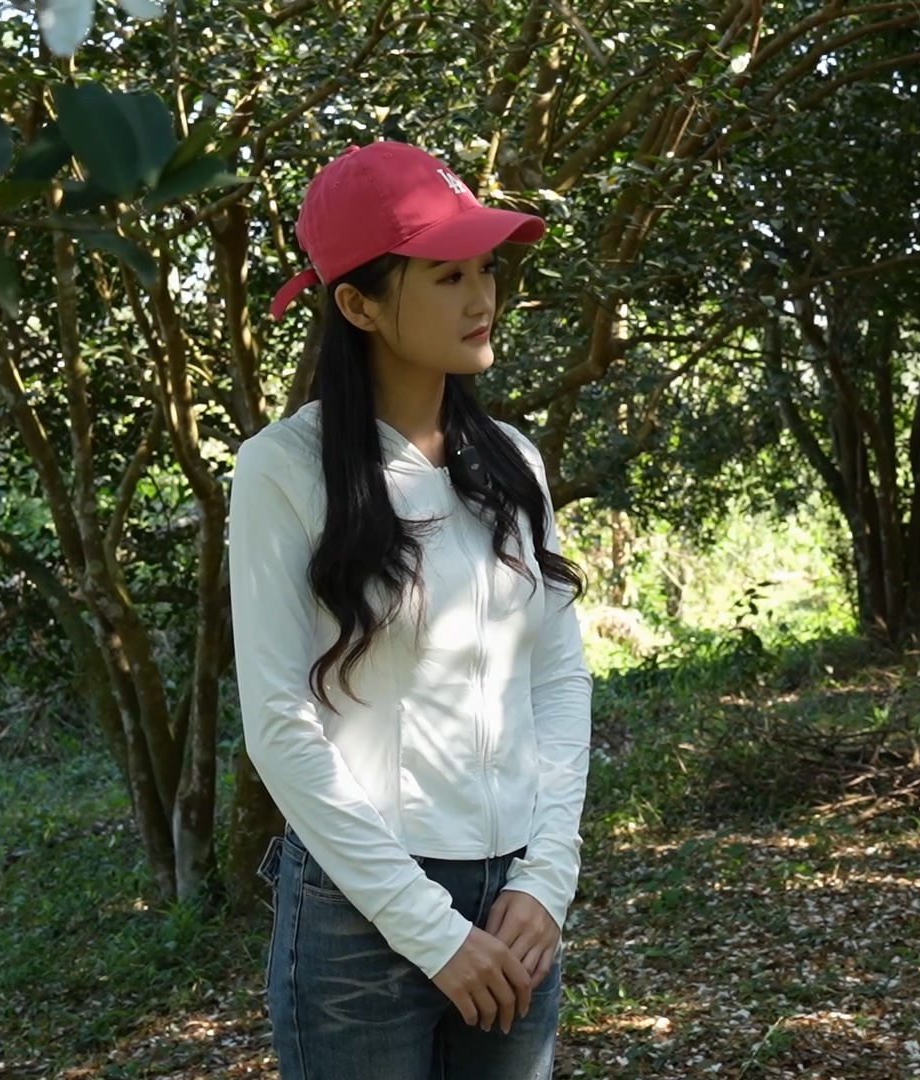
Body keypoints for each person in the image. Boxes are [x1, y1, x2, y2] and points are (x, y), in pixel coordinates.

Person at [229, 140, 592, 1080]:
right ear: (358, 304)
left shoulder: (511, 462)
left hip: (515, 907)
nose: (483, 298)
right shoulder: (283, 469)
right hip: (358, 917)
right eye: (447, 275)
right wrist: (429, 929)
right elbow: (279, 723)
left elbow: (556, 677)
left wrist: (547, 879)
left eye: (487, 269)